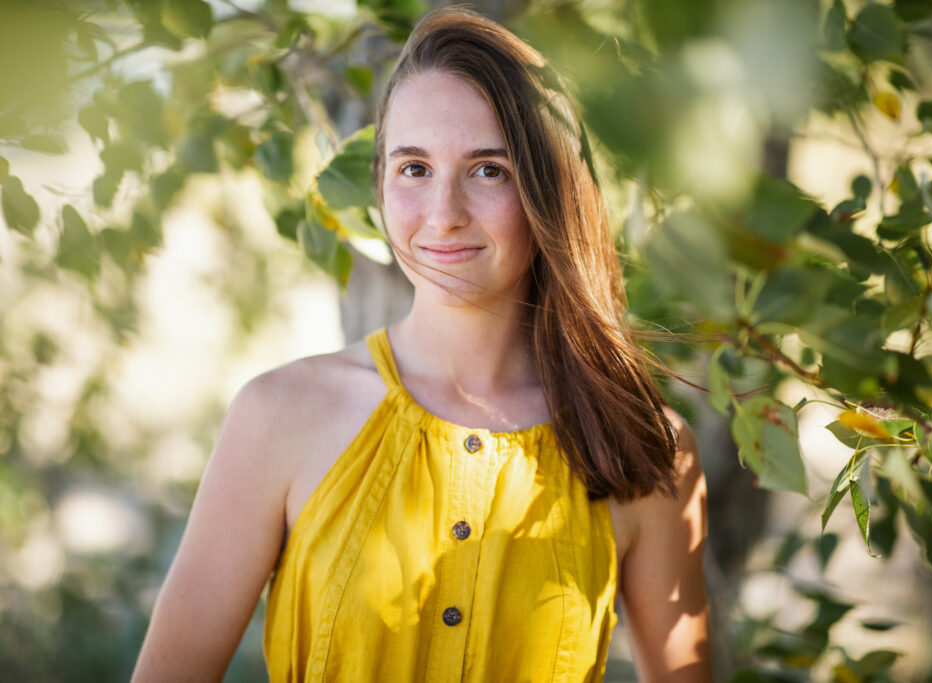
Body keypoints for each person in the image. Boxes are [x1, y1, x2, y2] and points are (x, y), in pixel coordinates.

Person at [132, 7, 710, 682]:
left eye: (488, 170)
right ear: (379, 182)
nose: (443, 214)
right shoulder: (278, 417)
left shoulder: (644, 449)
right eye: (414, 168)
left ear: (550, 190)